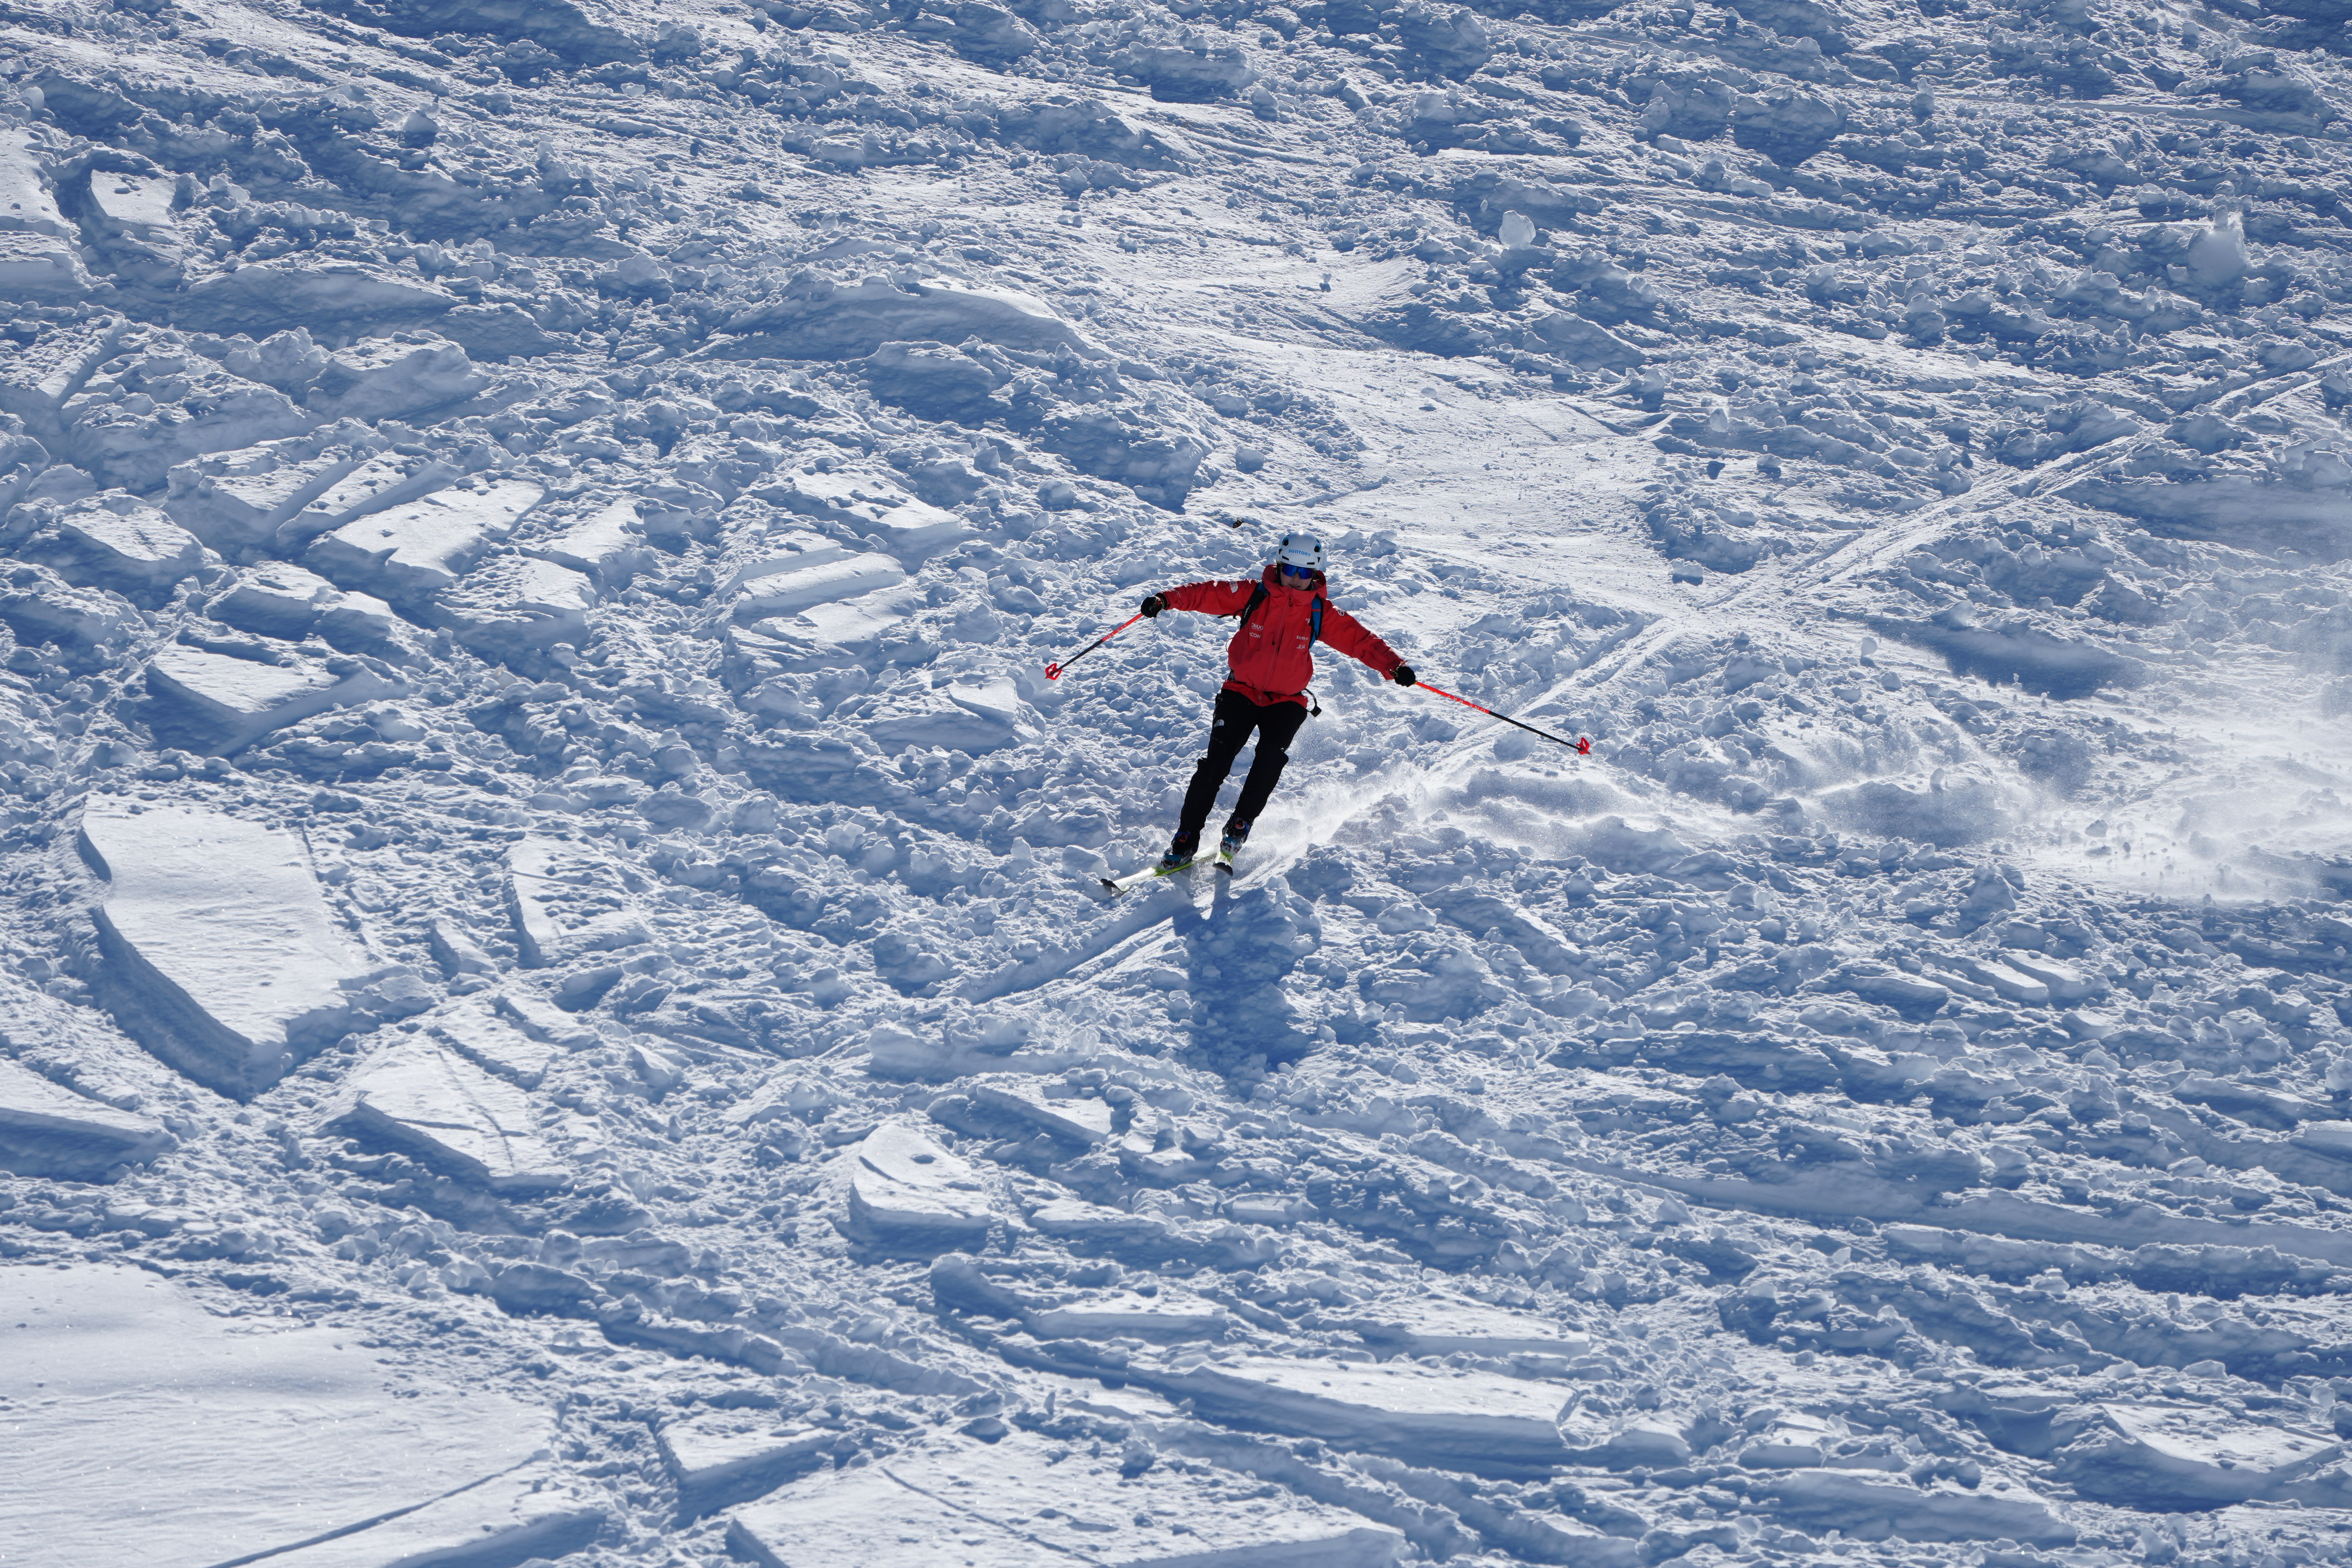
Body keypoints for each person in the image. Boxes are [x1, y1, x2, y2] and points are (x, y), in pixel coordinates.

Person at [1139, 533, 1416, 871]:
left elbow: (1360, 640)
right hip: (1241, 691)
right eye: (1290, 570)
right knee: (1215, 764)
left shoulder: (1320, 611)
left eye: (1304, 573)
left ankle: (1240, 824)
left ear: (1315, 574)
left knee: (1270, 759)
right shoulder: (1254, 594)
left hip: (1287, 701)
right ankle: (1186, 837)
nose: (1296, 579)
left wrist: (1395, 666)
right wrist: (1166, 600)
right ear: (1279, 566)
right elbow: (1209, 593)